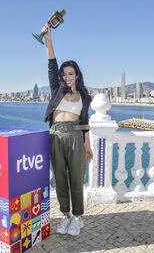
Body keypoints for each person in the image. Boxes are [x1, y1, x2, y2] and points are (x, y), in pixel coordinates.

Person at [42, 24, 93, 236]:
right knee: (60, 178)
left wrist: (87, 145)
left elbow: (84, 123)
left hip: (74, 137)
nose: (66, 77)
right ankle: (66, 215)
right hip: (55, 136)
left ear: (77, 75)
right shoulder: (57, 90)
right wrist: (49, 39)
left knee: (76, 179)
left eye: (70, 74)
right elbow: (51, 64)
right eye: (64, 74)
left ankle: (78, 218)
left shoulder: (85, 97)